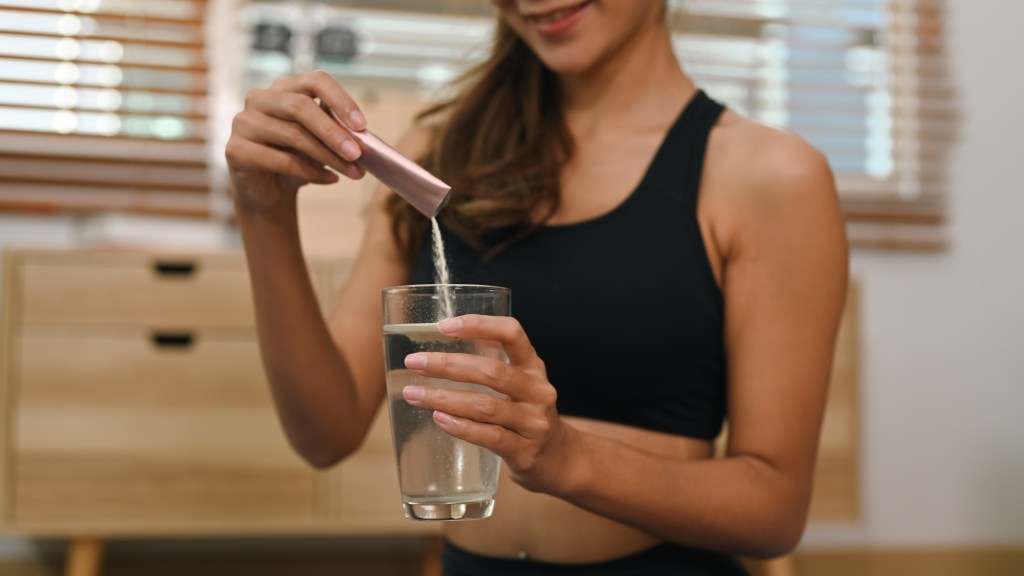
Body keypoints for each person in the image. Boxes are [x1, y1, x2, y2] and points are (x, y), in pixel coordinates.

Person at [225, 1, 849, 574]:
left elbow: (773, 511)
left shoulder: (770, 177)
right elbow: (324, 433)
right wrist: (263, 212)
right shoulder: (435, 155)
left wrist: (567, 458)